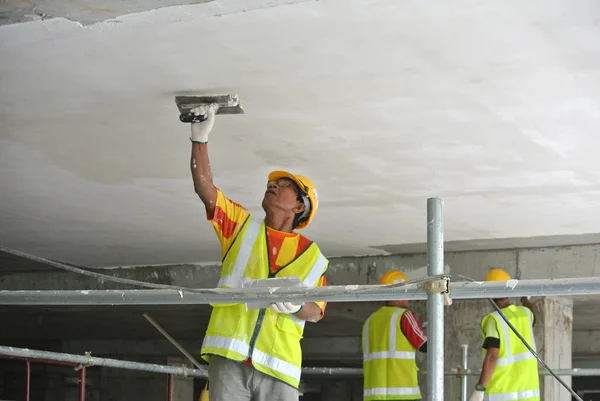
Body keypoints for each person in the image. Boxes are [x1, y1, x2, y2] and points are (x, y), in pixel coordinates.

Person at [187, 105, 329, 401]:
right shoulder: (240, 227)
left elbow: (316, 311)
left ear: (299, 206)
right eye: (271, 184)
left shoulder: (312, 256)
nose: (272, 186)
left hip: (280, 365)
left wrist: (293, 306)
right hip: (229, 357)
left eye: (284, 186)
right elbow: (205, 188)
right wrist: (199, 137)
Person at [469, 268, 540, 401]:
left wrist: (480, 388)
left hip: (502, 393)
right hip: (529, 396)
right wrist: (524, 299)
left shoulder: (494, 320)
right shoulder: (525, 314)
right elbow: (532, 313)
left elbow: (492, 357)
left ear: (489, 294)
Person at [362, 270, 428, 401]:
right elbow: (425, 346)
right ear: (398, 292)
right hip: (404, 394)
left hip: (374, 396)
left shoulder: (370, 321)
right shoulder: (403, 316)